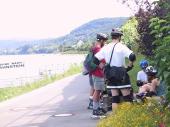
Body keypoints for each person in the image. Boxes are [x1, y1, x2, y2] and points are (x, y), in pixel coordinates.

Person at [94, 28, 136, 111]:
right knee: (127, 97)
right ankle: (128, 117)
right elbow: (132, 56)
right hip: (121, 74)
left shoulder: (106, 48)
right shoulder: (121, 46)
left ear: (112, 37)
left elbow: (95, 59)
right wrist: (130, 66)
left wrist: (102, 66)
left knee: (115, 98)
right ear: (119, 37)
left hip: (110, 74)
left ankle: (116, 117)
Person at [90, 33, 108, 119]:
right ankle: (95, 111)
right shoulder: (98, 48)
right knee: (97, 91)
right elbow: (102, 60)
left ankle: (96, 108)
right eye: (104, 41)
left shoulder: (96, 47)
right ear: (101, 40)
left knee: (98, 90)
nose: (105, 42)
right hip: (98, 73)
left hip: (96, 72)